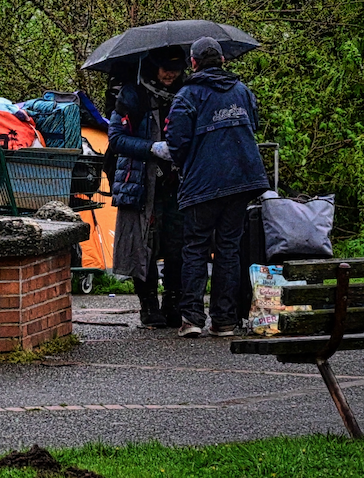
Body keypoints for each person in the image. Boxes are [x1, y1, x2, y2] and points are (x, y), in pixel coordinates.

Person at [162, 36, 269, 338]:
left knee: (195, 249)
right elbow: (254, 125)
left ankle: (192, 319)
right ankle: (224, 320)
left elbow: (176, 143)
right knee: (228, 249)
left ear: (193, 63)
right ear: (223, 61)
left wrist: (187, 165)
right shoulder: (242, 91)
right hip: (242, 181)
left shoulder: (186, 96)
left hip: (202, 185)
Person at [104, 50, 186, 328]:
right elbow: (116, 139)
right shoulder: (133, 95)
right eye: (165, 68)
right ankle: (148, 305)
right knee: (143, 245)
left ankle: (174, 303)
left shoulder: (186, 94)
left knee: (178, 243)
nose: (170, 74)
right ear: (154, 67)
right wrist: (151, 148)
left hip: (177, 183)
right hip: (140, 182)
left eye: (176, 69)